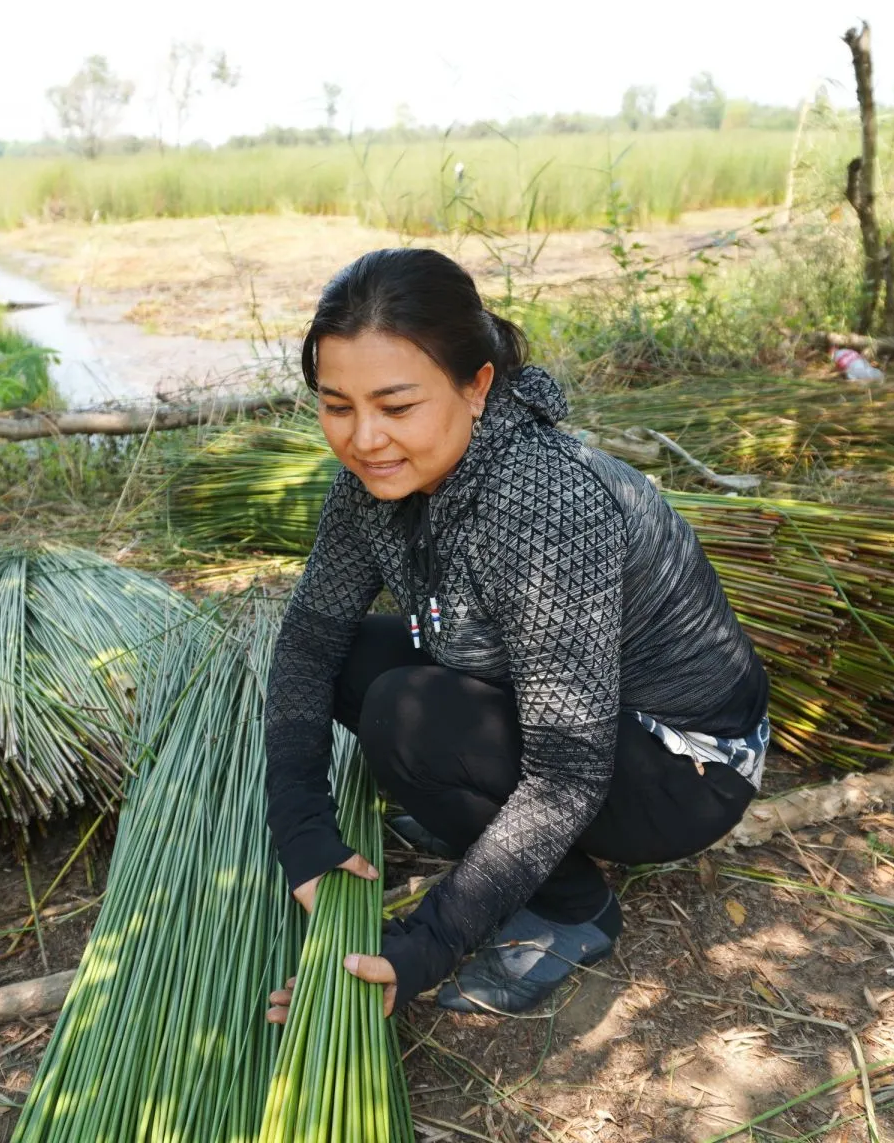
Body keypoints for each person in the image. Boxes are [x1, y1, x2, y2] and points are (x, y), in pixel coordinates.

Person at [262, 248, 769, 1021]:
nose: (364, 439)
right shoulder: (375, 480)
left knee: (406, 716)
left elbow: (566, 770)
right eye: (338, 406)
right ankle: (483, 820)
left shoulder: (543, 506)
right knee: (349, 658)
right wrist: (301, 829)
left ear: (478, 387)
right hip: (568, 713)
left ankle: (573, 911)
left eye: (397, 407)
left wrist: (426, 943)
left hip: (680, 765)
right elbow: (307, 640)